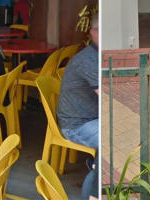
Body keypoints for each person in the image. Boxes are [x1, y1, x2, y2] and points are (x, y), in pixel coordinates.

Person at [57, 17, 99, 200]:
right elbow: (109, 98)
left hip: (92, 118)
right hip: (77, 125)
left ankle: (97, 165)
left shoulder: (99, 55)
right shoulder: (88, 60)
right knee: (113, 142)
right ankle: (94, 193)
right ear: (94, 32)